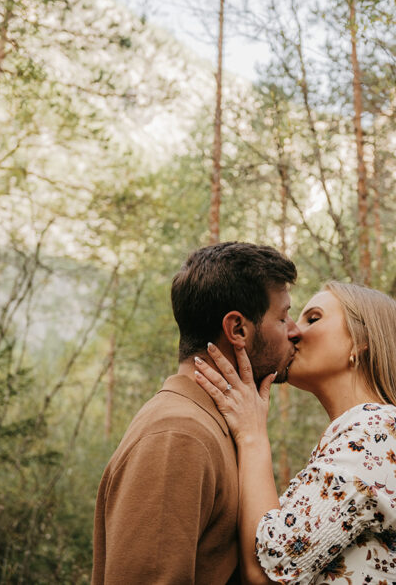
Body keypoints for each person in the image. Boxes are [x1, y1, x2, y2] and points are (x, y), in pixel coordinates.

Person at [195, 281, 396, 585]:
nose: (293, 332)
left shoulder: (383, 431)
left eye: (313, 318)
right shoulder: (360, 436)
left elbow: (267, 572)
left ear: (361, 341)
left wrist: (252, 435)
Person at [92, 242, 302, 584]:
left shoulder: (212, 426)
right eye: (282, 317)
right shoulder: (178, 436)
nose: (294, 330)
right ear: (237, 330)